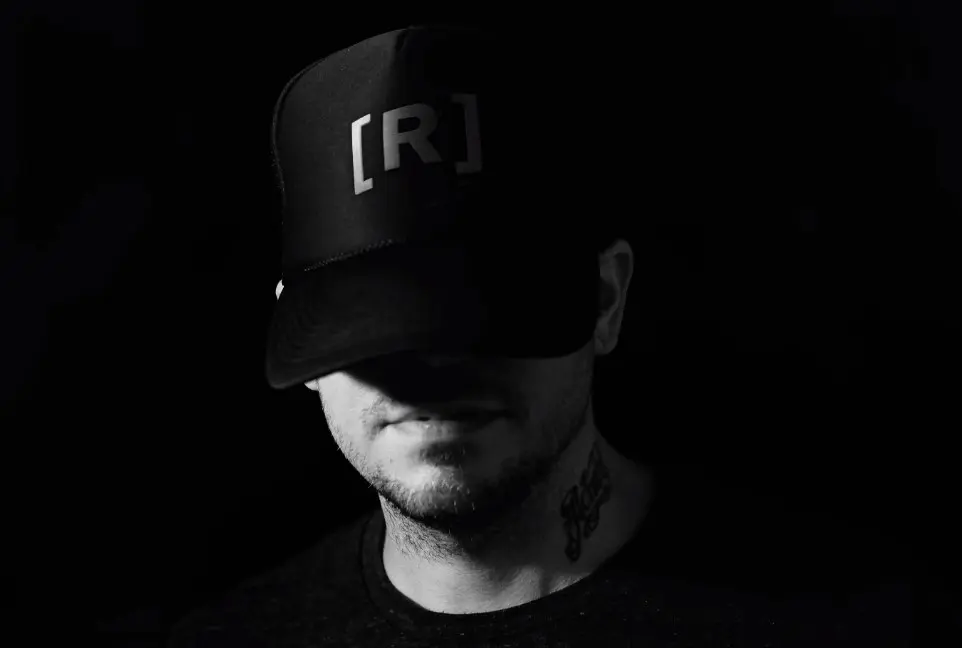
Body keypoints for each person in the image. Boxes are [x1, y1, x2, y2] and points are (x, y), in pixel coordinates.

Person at [167, 24, 953, 647]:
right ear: (303, 339)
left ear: (606, 300)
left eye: (485, 305)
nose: (434, 360)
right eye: (373, 320)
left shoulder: (855, 619)